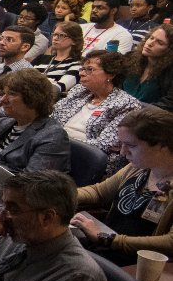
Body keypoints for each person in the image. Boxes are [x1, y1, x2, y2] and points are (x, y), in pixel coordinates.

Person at [71, 106, 173, 265]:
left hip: (135, 265)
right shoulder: (138, 167)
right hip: (104, 247)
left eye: (131, 146)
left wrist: (108, 239)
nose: (123, 152)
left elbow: (170, 242)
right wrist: (60, 196)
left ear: (162, 146)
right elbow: (99, 192)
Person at [0, 68, 70, 192]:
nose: (2, 100)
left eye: (11, 94)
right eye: (3, 93)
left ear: (33, 98)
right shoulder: (3, 123)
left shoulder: (53, 136)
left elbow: (29, 182)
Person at [51, 50, 143, 177]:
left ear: (110, 74)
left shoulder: (127, 104)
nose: (81, 73)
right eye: (82, 69)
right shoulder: (79, 91)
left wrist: (56, 140)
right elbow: (52, 118)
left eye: (90, 69)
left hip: (84, 161)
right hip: (54, 149)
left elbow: (104, 144)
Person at [124, 22, 173, 106]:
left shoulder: (170, 72)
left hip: (148, 113)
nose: (150, 43)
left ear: (170, 50)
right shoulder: (131, 58)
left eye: (160, 43)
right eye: (151, 38)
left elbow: (169, 104)